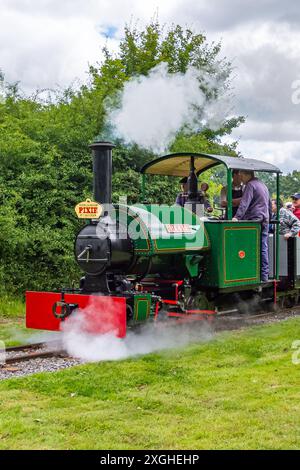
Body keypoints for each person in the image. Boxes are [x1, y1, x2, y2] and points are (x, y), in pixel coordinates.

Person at [232, 170, 271, 282]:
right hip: (264, 219)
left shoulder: (250, 185)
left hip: (255, 219)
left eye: (241, 176)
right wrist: (269, 218)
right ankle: (264, 276)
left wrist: (237, 218)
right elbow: (268, 204)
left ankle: (246, 274)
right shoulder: (262, 184)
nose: (241, 179)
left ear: (245, 174)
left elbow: (245, 202)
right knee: (263, 248)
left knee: (245, 247)